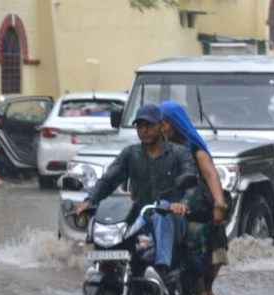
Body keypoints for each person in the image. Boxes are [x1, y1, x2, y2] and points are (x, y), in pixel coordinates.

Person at [75, 103, 197, 279]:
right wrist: (89, 201)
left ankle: (161, 270)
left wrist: (183, 204)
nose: (144, 130)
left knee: (161, 206)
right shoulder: (129, 154)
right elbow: (108, 181)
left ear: (161, 126)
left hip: (172, 218)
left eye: (149, 125)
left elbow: (191, 184)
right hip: (139, 221)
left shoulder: (180, 153)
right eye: (140, 125)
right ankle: (103, 269)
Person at [157, 100, 230, 295]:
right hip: (168, 206)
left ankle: (205, 290)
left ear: (175, 124)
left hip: (198, 208)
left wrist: (219, 205)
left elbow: (211, 176)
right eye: (158, 124)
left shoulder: (195, 150)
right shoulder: (159, 149)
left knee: (210, 244)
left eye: (165, 123)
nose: (161, 128)